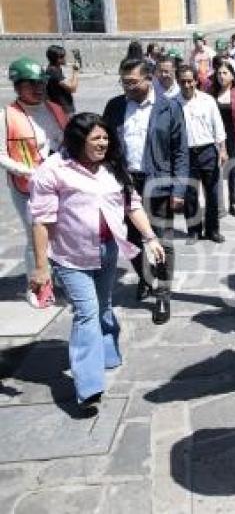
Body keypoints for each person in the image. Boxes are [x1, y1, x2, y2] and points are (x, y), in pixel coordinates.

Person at [28, 113, 165, 412]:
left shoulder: (113, 167)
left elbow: (133, 206)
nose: (103, 143)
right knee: (86, 312)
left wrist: (151, 238)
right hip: (70, 256)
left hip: (107, 251)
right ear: (78, 141)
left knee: (104, 304)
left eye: (105, 138)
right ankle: (89, 386)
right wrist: (41, 267)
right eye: (96, 139)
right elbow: (41, 221)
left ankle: (107, 351)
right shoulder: (53, 170)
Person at [102, 57, 189, 325]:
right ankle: (145, 278)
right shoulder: (115, 107)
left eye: (132, 82)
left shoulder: (169, 108)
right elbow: (104, 144)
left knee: (161, 240)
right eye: (124, 82)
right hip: (124, 184)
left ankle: (162, 292)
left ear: (148, 78)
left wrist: (179, 190)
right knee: (130, 239)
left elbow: (180, 152)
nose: (127, 88)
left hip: (158, 183)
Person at [0, 58, 68, 307]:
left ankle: (58, 276)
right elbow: (1, 155)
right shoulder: (7, 116)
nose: (38, 88)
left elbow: (65, 141)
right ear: (17, 86)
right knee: (34, 236)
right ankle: (37, 285)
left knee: (58, 233)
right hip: (26, 188)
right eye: (31, 84)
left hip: (57, 184)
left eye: (40, 83)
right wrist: (30, 172)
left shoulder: (54, 109)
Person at [175, 65, 227, 244]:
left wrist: (222, 149)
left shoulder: (208, 100)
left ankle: (213, 230)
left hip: (207, 151)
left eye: (190, 81)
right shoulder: (173, 103)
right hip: (185, 154)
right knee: (190, 193)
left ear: (196, 81)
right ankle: (194, 231)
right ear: (178, 82)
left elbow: (218, 125)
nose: (187, 85)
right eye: (183, 82)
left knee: (212, 193)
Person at [208, 60, 235, 217]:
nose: (221, 76)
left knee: (233, 171)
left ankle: (234, 202)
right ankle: (218, 206)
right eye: (219, 73)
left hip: (234, 136)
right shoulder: (211, 93)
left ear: (232, 75)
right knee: (215, 171)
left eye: (225, 73)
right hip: (215, 137)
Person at [45, 45, 79, 114]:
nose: (65, 59)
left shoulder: (55, 69)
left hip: (61, 108)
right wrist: (75, 71)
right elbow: (72, 88)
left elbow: (66, 84)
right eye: (63, 57)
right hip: (63, 109)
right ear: (58, 59)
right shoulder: (53, 71)